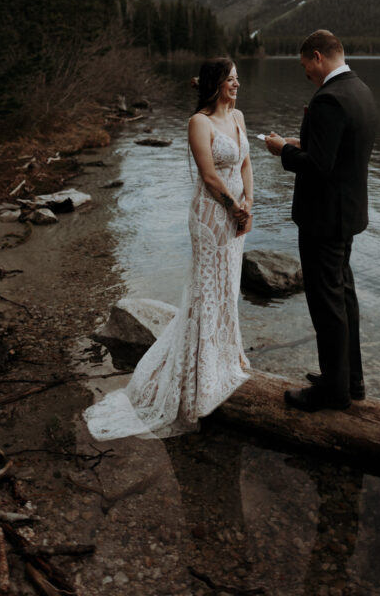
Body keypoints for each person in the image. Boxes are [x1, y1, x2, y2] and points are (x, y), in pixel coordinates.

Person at [84, 58, 253, 440]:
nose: (236, 84)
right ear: (215, 83)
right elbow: (209, 174)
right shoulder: (199, 123)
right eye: (231, 79)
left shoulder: (239, 116)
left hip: (238, 214)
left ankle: (228, 354)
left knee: (229, 285)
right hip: (211, 216)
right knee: (206, 289)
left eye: (238, 79)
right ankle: (200, 370)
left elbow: (246, 164)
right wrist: (233, 208)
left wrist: (250, 208)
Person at [265, 30, 377, 412]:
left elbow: (317, 168)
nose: (306, 75)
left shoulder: (329, 99)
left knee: (326, 304)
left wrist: (283, 151)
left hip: (323, 220)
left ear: (317, 57)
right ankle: (349, 379)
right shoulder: (359, 89)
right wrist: (302, 146)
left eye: (305, 67)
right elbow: (338, 153)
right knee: (343, 296)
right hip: (347, 215)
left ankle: (333, 392)